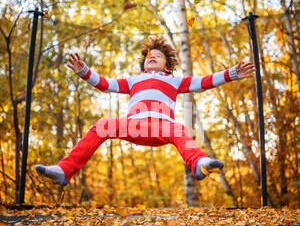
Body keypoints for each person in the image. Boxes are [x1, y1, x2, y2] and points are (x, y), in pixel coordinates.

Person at [35, 35, 256, 187]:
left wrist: (231, 74)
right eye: (149, 55)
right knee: (102, 125)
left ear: (167, 66)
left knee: (180, 129)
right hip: (135, 125)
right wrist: (84, 71)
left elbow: (204, 81)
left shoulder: (175, 80)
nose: (152, 57)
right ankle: (64, 170)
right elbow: (104, 84)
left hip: (162, 127)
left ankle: (198, 163)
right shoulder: (134, 80)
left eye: (157, 56)